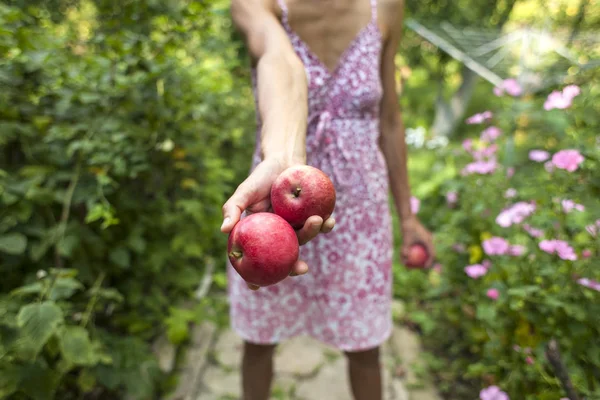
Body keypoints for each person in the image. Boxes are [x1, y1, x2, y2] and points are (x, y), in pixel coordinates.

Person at [220, 0, 435, 399]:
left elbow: (390, 117)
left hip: (361, 210)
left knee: (365, 345)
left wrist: (407, 215)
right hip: (275, 207)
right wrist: (286, 158)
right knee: (259, 339)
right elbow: (280, 61)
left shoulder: (386, 7)